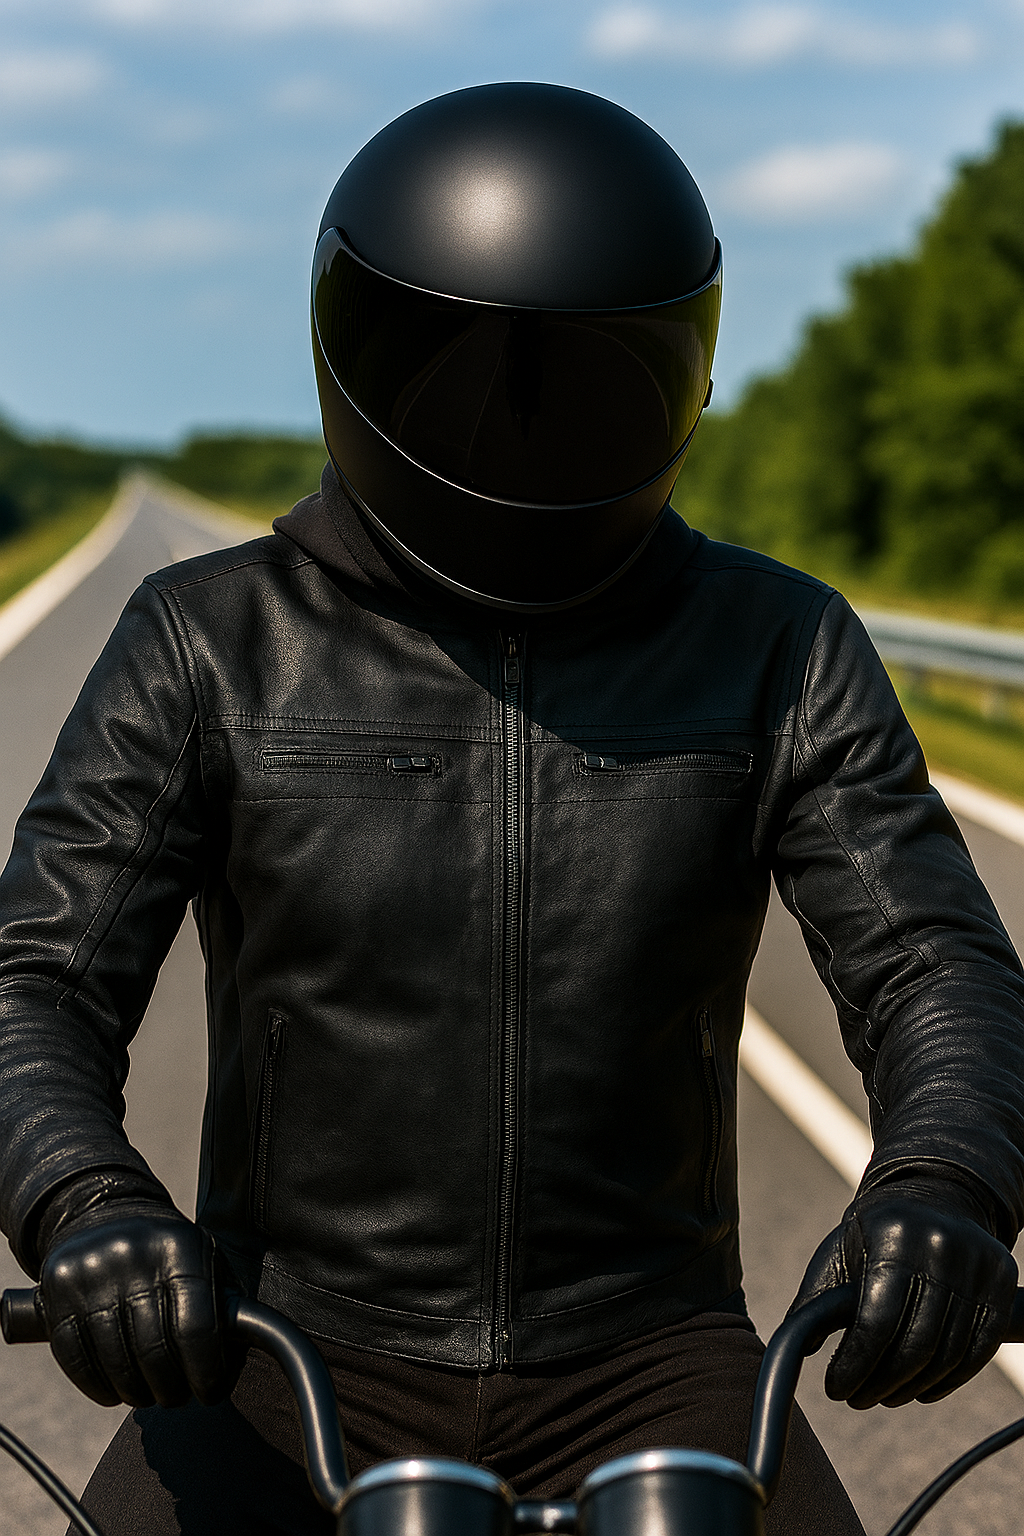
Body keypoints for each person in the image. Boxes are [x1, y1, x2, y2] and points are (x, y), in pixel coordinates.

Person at [0, 82, 1022, 1536]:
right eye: (471, 376)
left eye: (585, 377)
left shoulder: (779, 644)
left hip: (656, 1361)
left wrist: (946, 1180)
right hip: (283, 1354)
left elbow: (934, 964)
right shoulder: (206, 640)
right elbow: (36, 978)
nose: (521, 427)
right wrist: (84, 1200)